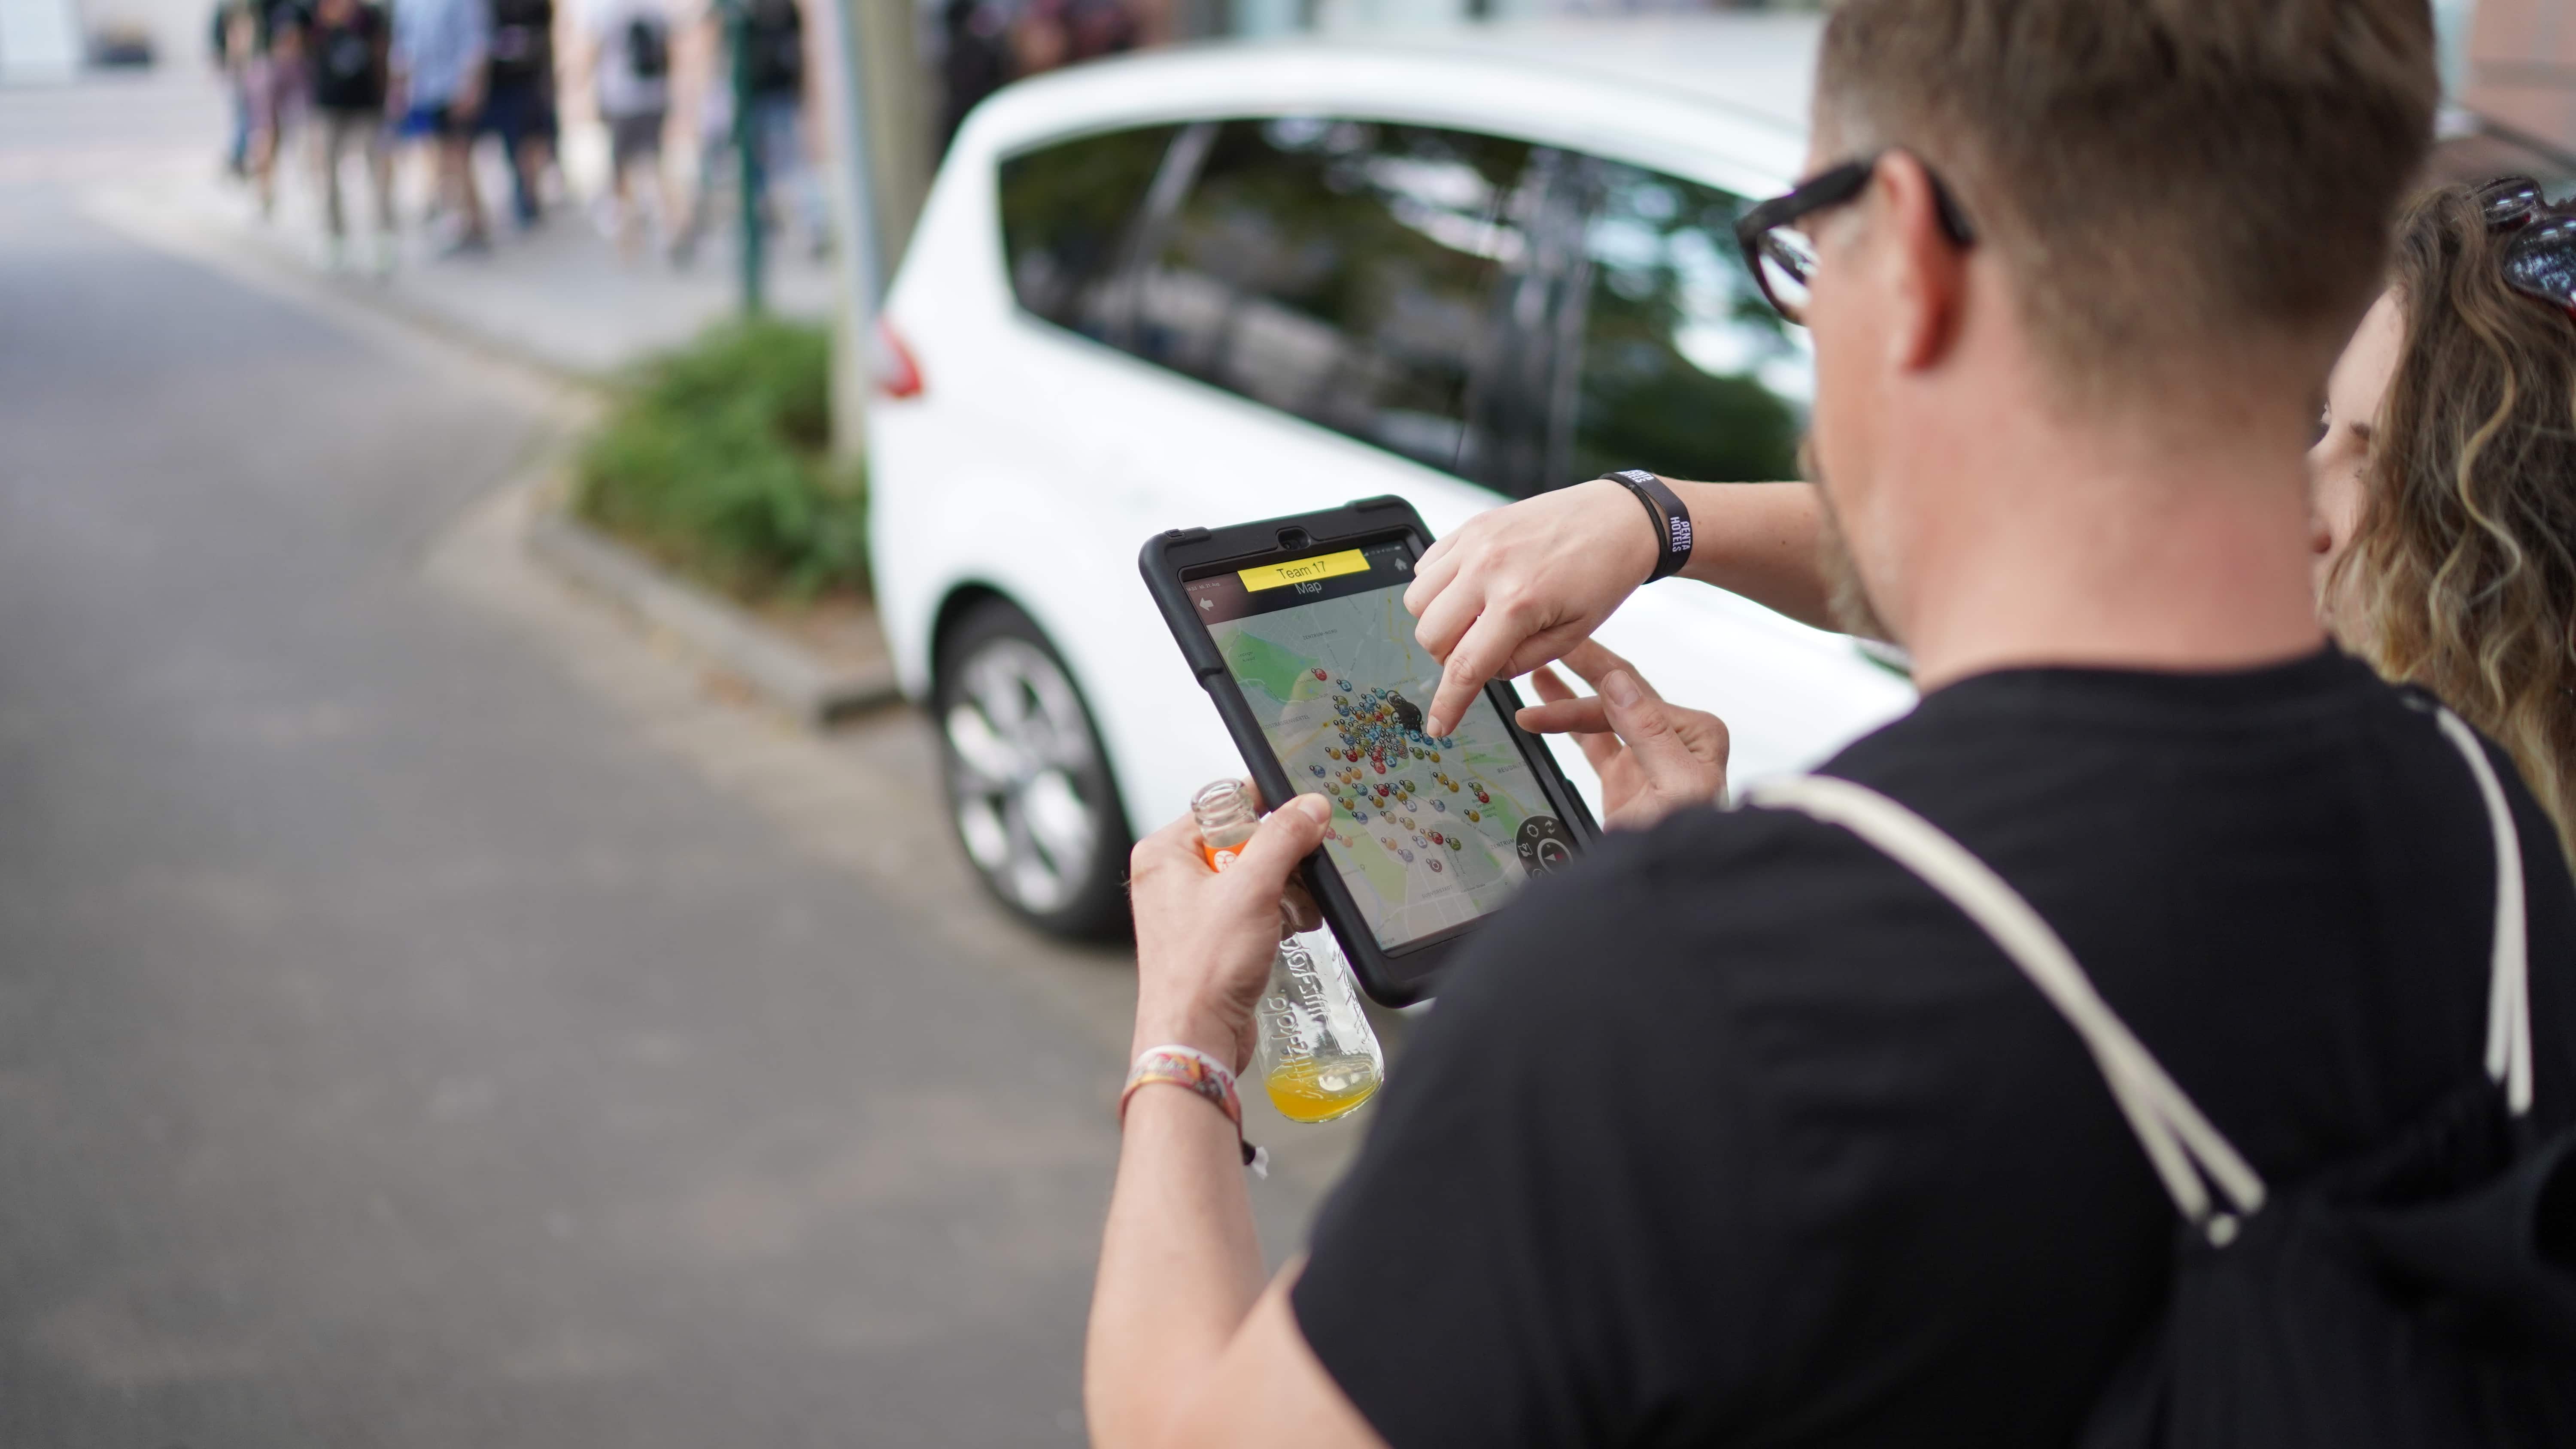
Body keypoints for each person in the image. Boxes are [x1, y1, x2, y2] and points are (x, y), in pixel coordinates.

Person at [1086, 2, 2576, 1446]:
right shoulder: (2487, 805)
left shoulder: (1676, 991)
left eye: (1805, 249)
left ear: (1912, 254)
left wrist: (1189, 1042)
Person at [390, 0, 492, 254]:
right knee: (436, 160)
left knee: (459, 158)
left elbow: (476, 40)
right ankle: (454, 220)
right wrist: (399, 88)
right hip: (425, 90)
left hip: (453, 87)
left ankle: (474, 224)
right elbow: (404, 44)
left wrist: (471, 86)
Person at [583, 0, 681, 261]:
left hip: (621, 97)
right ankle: (669, 229)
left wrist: (591, 91)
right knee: (655, 165)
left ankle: (629, 239)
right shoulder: (657, 8)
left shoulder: (605, 9)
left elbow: (593, 50)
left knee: (622, 171)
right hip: (654, 95)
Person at [304, 0, 394, 272]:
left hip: (366, 106)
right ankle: (334, 237)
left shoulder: (369, 18)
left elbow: (383, 55)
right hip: (329, 107)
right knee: (327, 176)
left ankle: (383, 238)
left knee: (377, 173)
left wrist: (387, 99)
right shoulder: (315, 17)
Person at [480, 0, 560, 229]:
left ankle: (530, 194)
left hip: (530, 77)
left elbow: (546, 30)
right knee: (515, 141)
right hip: (506, 82)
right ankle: (524, 195)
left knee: (533, 138)